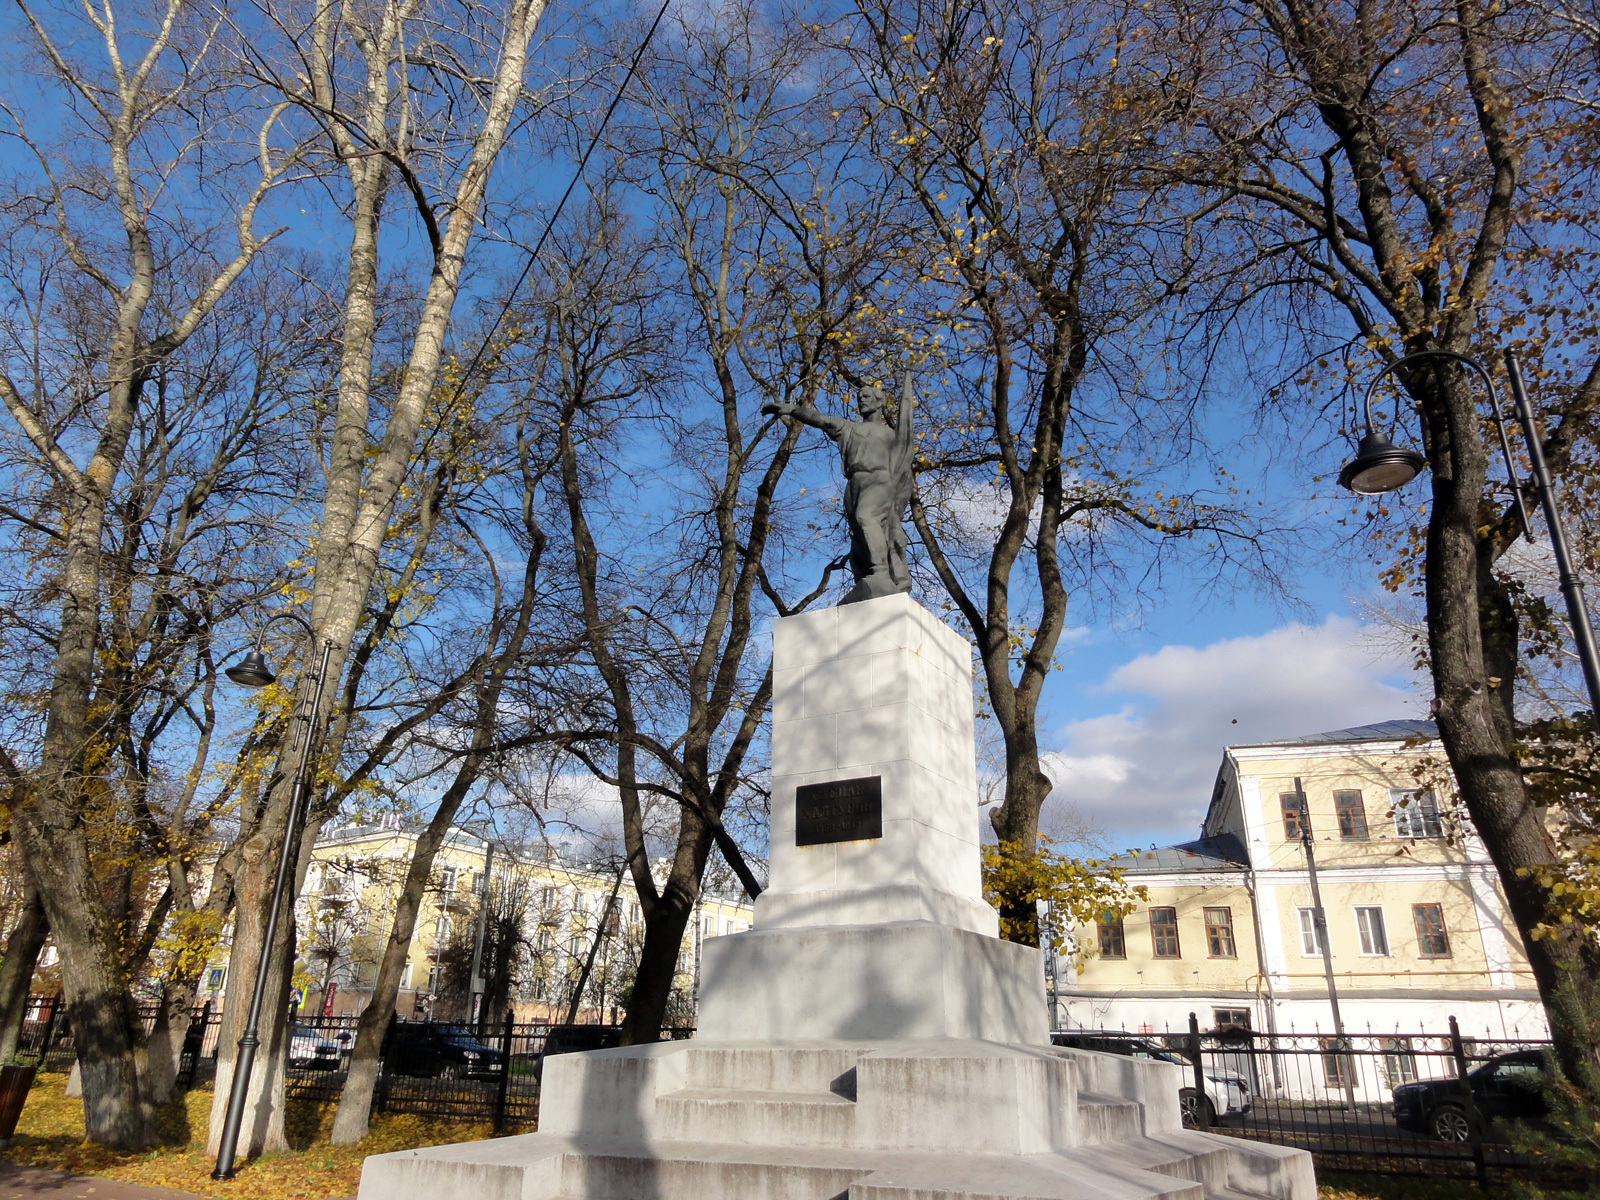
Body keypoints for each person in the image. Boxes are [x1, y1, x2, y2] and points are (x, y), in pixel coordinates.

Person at [762, 379, 913, 603]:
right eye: (859, 397)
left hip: (880, 480)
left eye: (867, 396)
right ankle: (869, 579)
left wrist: (897, 505)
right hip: (854, 484)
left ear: (880, 402)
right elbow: (821, 420)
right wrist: (793, 410)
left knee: (866, 516)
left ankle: (881, 572)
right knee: (859, 538)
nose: (861, 399)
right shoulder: (850, 429)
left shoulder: (891, 436)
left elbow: (904, 472)